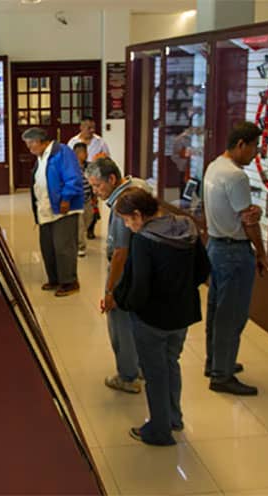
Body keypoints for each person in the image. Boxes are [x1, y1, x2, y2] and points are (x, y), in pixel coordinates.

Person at [112, 187, 210, 446]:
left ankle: (159, 430)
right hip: (182, 313)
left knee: (154, 373)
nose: (128, 226)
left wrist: (126, 303)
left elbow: (139, 286)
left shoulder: (144, 239)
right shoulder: (187, 226)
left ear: (137, 215)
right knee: (171, 363)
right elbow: (203, 270)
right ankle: (174, 418)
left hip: (152, 318)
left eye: (126, 220)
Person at [203, 122, 268, 396]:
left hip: (216, 248)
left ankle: (215, 363)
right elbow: (249, 222)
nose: (256, 154)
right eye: (254, 147)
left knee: (217, 313)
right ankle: (222, 375)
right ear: (241, 144)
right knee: (232, 316)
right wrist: (262, 254)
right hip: (234, 252)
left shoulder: (214, 166)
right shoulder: (237, 177)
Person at [88, 157, 151, 394]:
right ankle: (142, 367)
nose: (95, 192)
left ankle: (127, 376)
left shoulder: (120, 206)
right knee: (139, 323)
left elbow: (119, 253)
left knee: (120, 325)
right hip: (143, 270)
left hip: (126, 273)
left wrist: (110, 290)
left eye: (97, 186)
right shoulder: (139, 186)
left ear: (112, 179)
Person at [23, 127, 84, 297]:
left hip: (63, 209)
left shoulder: (62, 152)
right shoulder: (41, 156)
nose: (29, 148)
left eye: (30, 144)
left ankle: (70, 281)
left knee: (63, 246)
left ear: (39, 141)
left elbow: (73, 178)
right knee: (48, 247)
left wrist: (66, 198)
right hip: (46, 210)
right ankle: (55, 279)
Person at [73, 142, 97, 257]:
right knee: (80, 224)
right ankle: (80, 246)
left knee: (89, 218)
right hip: (76, 200)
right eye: (84, 152)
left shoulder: (89, 166)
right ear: (77, 153)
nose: (87, 154)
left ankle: (77, 237)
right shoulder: (71, 167)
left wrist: (94, 197)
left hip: (88, 198)